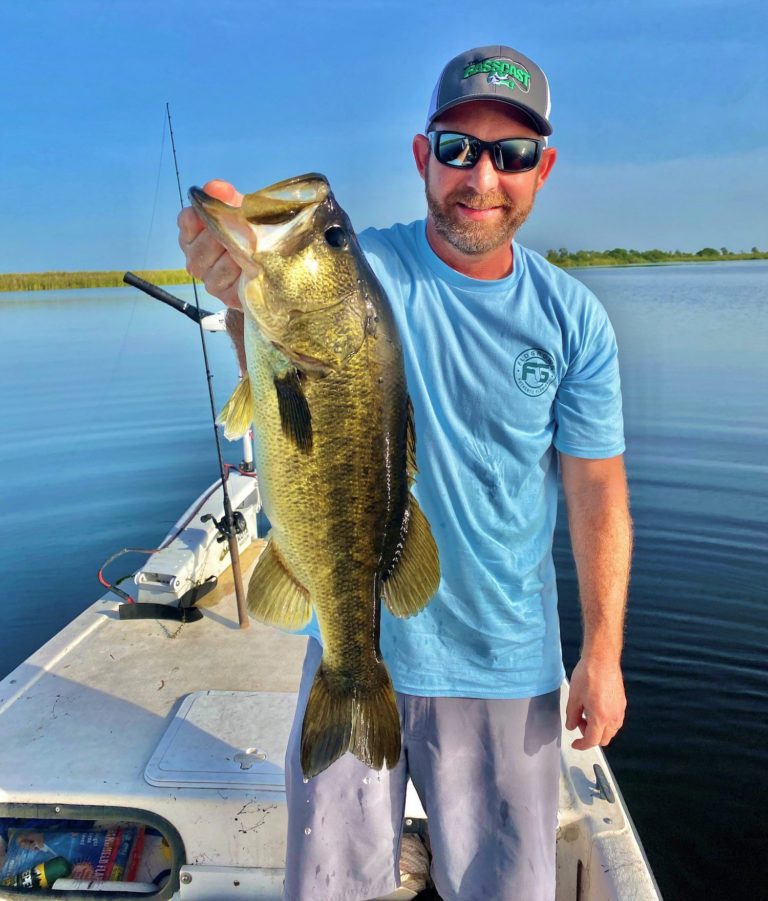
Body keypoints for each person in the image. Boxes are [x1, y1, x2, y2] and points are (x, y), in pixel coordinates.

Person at [178, 44, 632, 901]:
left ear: (544, 169)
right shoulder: (368, 272)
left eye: (512, 154)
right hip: (351, 646)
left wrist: (602, 651)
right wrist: (237, 284)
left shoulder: (574, 320)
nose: (482, 176)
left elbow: (597, 488)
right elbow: (278, 369)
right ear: (423, 157)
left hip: (507, 665)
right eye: (459, 148)